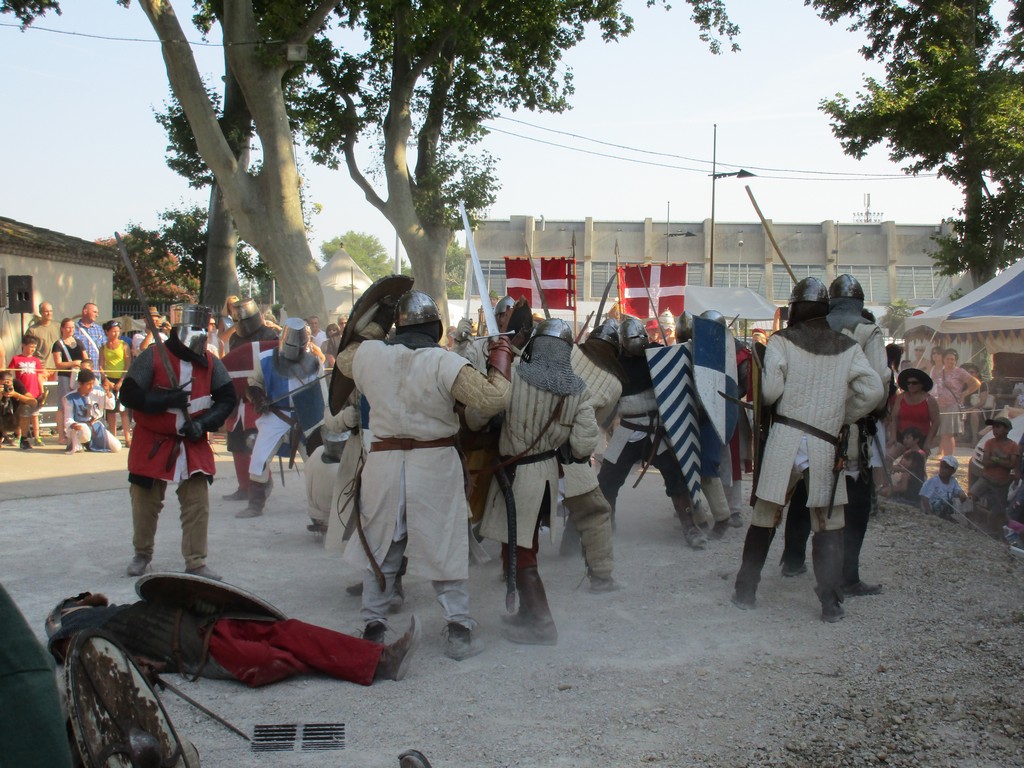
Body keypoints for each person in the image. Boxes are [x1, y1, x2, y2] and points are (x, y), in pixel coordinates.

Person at [334, 287, 512, 660]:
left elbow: (346, 356)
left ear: (397, 326)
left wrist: (377, 323)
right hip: (434, 466)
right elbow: (493, 399)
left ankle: (373, 624)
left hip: (384, 466)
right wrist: (501, 358)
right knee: (443, 544)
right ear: (435, 327)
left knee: (381, 546)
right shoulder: (444, 362)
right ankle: (459, 629)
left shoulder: (368, 355)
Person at [731, 277, 883, 622]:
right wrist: (842, 415)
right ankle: (830, 604)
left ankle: (746, 590)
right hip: (825, 442)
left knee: (765, 515)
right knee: (828, 523)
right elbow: (873, 391)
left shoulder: (782, 341)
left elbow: (770, 392)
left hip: (785, 437)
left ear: (796, 307)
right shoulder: (848, 346)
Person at [476, 319, 598, 645]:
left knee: (521, 552)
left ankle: (543, 625)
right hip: (545, 476)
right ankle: (527, 614)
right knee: (519, 547)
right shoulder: (578, 389)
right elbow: (583, 445)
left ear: (535, 344)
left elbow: (477, 417)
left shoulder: (513, 375)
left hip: (517, 477)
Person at [44, 589, 420, 687]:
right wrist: (140, 668)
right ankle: (351, 661)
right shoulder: (69, 632)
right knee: (272, 660)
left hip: (211, 622)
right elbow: (92, 661)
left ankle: (381, 660)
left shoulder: (112, 610)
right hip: (196, 649)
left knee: (289, 632)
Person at [778, 274, 890, 597]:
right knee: (853, 503)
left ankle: (793, 559)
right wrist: (861, 411)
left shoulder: (812, 327)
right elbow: (878, 382)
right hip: (848, 431)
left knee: (805, 492)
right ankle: (846, 577)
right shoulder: (868, 331)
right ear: (859, 303)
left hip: (807, 427)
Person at [118, 304, 238, 580]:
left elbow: (227, 398)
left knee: (197, 503)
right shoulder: (153, 356)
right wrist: (163, 400)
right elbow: (128, 394)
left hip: (192, 440)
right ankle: (142, 554)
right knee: (145, 503)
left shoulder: (210, 362)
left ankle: (196, 561)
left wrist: (204, 424)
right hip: (152, 440)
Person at [597, 316, 699, 545]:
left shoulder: (657, 356)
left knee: (677, 477)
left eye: (641, 335)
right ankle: (606, 526)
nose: (638, 340)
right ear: (623, 341)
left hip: (655, 431)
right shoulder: (615, 364)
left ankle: (690, 527)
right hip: (627, 431)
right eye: (633, 337)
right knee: (607, 480)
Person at [558, 318, 625, 592]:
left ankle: (512, 571)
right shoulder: (614, 384)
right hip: (573, 452)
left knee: (522, 508)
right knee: (594, 511)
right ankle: (601, 577)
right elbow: (598, 422)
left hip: (537, 446)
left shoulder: (569, 350)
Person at [238, 317, 324, 519]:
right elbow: (253, 384)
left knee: (317, 464)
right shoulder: (265, 359)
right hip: (276, 415)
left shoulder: (314, 362)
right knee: (259, 459)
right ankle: (255, 504)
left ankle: (320, 509)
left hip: (306, 417)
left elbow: (321, 395)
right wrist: (258, 398)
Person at [221, 297, 280, 503]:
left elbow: (276, 368)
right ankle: (244, 487)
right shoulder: (234, 339)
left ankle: (262, 483)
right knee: (236, 444)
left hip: (259, 400)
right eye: (237, 320)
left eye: (244, 319)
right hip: (239, 400)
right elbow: (233, 368)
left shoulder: (270, 335)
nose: (241, 324)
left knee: (255, 444)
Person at [933, 348, 982, 458]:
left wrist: (964, 394)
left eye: (953, 359)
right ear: (944, 359)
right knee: (942, 433)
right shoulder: (939, 372)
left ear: (956, 361)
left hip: (952, 404)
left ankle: (949, 457)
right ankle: (943, 454)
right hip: (939, 405)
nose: (950, 361)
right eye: (948, 359)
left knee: (948, 433)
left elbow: (976, 383)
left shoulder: (959, 372)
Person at [970, 416, 1021, 518]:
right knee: (972, 495)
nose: (994, 430)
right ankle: (974, 516)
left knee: (999, 509)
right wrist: (1003, 462)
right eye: (993, 427)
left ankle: (993, 522)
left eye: (998, 427)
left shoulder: (1013, 446)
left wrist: (994, 459)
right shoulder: (989, 443)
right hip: (986, 478)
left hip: (1001, 483)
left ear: (1007, 430)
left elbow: (1011, 465)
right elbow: (985, 462)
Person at [63, 369, 121, 454]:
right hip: (80, 426)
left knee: (117, 447)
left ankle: (89, 444)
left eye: (92, 383)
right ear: (80, 384)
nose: (91, 387)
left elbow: (111, 406)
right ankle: (76, 442)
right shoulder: (69, 398)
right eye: (88, 384)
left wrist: (108, 392)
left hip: (95, 425)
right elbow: (68, 418)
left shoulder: (98, 392)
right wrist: (73, 425)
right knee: (84, 431)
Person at [888, 368, 940, 456]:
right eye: (908, 383)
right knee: (888, 457)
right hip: (901, 436)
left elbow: (936, 423)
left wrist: (928, 442)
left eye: (914, 383)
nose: (910, 385)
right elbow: (894, 417)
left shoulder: (930, 400)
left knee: (915, 463)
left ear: (921, 384)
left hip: (920, 439)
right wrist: (893, 436)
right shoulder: (900, 398)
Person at [9, 333, 47, 450]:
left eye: (34, 347)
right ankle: (19, 436)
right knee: (22, 414)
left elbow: (39, 376)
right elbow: (9, 373)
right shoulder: (16, 359)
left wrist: (42, 392)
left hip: (34, 391)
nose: (32, 349)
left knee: (34, 415)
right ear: (23, 345)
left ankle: (36, 436)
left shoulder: (36, 360)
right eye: (31, 346)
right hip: (21, 392)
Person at [52, 317, 86, 445]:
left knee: (78, 404)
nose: (71, 330)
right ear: (62, 328)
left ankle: (77, 435)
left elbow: (85, 359)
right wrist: (73, 363)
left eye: (72, 327)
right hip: (65, 377)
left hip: (78, 377)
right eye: (68, 327)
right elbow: (58, 364)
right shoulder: (58, 344)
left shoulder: (79, 342)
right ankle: (61, 435)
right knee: (63, 405)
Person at [99, 319, 132, 446]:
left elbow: (128, 364)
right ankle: (113, 438)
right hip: (109, 380)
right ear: (107, 332)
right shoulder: (103, 347)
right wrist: (105, 379)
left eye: (118, 331)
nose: (116, 334)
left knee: (123, 410)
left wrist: (122, 381)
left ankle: (127, 438)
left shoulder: (124, 345)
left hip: (122, 378)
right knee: (111, 410)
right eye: (113, 331)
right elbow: (101, 365)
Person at [880, 427, 927, 501]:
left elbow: (916, 470)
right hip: (903, 481)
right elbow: (900, 465)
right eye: (904, 438)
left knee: (886, 492)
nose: (904, 440)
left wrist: (899, 469)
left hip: (912, 482)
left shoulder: (920, 454)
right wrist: (894, 468)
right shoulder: (907, 452)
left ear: (916, 440)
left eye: (908, 438)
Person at [0, 370, 37, 447]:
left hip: (15, 419)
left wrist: (15, 394)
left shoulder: (16, 384)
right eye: (3, 383)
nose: (6, 386)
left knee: (26, 407)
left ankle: (24, 439)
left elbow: (33, 402)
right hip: (2, 420)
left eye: (8, 382)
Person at [28, 301, 60, 373]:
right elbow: (27, 349)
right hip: (41, 368)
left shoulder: (58, 326)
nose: (49, 313)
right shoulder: (33, 330)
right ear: (40, 312)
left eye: (51, 311)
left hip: (57, 367)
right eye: (46, 311)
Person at [74, 302, 105, 368]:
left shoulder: (99, 329)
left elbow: (104, 349)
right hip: (80, 370)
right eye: (94, 312)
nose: (97, 315)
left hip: (96, 369)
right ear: (85, 312)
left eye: (97, 313)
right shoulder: (74, 329)